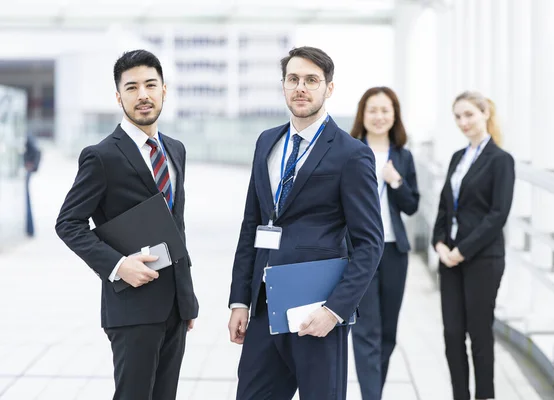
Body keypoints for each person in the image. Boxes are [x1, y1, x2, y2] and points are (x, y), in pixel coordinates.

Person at [227, 46, 384, 400]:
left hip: (317, 312)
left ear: (328, 88)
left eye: (311, 80)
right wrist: (239, 299)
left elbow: (370, 244)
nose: (301, 87)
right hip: (264, 307)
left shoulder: (351, 154)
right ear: (283, 85)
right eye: (293, 79)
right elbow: (252, 223)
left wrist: (335, 311)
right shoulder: (267, 142)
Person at [55, 49, 198, 400]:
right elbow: (68, 223)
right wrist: (119, 266)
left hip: (175, 306)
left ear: (165, 89)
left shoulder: (175, 150)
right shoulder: (101, 156)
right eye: (132, 88)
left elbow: (175, 225)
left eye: (150, 85)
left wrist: (187, 298)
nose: (143, 95)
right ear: (119, 97)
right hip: (131, 306)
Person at [432, 91, 515, 400]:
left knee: (479, 335)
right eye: (457, 116)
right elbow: (444, 206)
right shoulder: (458, 157)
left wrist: (462, 250)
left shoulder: (501, 160)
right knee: (452, 334)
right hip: (449, 257)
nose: (463, 122)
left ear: (485, 114)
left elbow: (498, 214)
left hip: (482, 258)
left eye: (469, 115)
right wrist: (439, 243)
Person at [349, 87, 420, 400]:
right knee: (366, 332)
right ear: (362, 115)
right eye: (372, 110)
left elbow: (412, 205)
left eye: (385, 110)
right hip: (359, 253)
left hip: (394, 252)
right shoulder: (349, 151)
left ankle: (373, 392)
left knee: (388, 332)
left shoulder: (403, 157)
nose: (379, 117)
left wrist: (396, 181)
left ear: (395, 116)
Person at [23, 134, 41, 237]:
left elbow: (37, 151)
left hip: (24, 171)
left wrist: (32, 166)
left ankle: (30, 230)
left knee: (26, 200)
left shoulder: (26, 136)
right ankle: (29, 229)